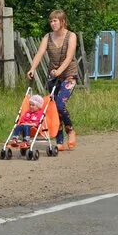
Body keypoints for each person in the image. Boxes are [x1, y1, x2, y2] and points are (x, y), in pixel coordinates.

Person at [27, 9, 78, 151]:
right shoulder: (47, 37)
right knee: (54, 108)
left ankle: (71, 130)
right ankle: (59, 140)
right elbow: (40, 53)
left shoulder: (71, 36)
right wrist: (32, 68)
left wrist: (59, 71)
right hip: (53, 78)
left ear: (62, 21)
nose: (52, 23)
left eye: (55, 20)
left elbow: (69, 57)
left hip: (69, 75)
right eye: (51, 21)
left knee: (61, 105)